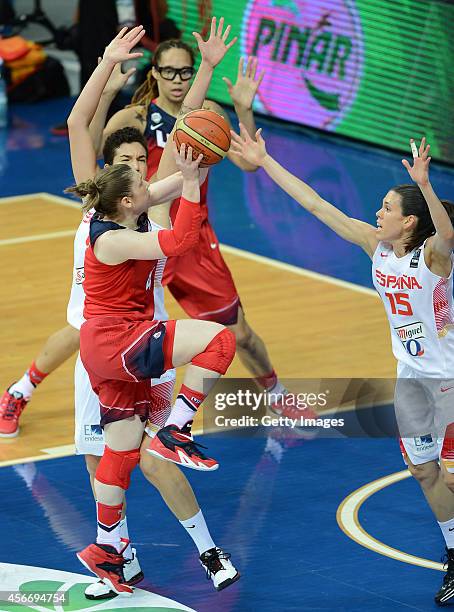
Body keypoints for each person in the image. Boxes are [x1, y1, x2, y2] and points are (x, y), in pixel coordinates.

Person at [231, 126, 454, 606]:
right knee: (424, 472)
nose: (378, 213)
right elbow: (315, 204)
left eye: (388, 208)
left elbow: (447, 232)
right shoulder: (375, 246)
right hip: (413, 381)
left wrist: (426, 184)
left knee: (452, 475)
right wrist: (265, 160)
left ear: (411, 223)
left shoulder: (432, 259)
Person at [66, 25, 239, 598]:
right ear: (116, 186)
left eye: (147, 164)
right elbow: (179, 242)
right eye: (135, 167)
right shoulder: (111, 228)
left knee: (118, 454)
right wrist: (107, 68)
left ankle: (110, 551)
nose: (145, 172)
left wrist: (195, 163)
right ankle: (178, 430)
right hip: (117, 341)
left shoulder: (136, 204)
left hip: (118, 344)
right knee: (218, 341)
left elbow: (189, 141)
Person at [96, 31, 293, 412]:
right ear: (154, 74)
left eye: (184, 72)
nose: (176, 79)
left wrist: (244, 110)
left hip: (193, 239)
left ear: (192, 74)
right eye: (167, 71)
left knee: (240, 335)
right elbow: (94, 160)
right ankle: (25, 389)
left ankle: (277, 395)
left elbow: (250, 162)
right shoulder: (134, 117)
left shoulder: (210, 115)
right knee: (96, 328)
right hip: (142, 239)